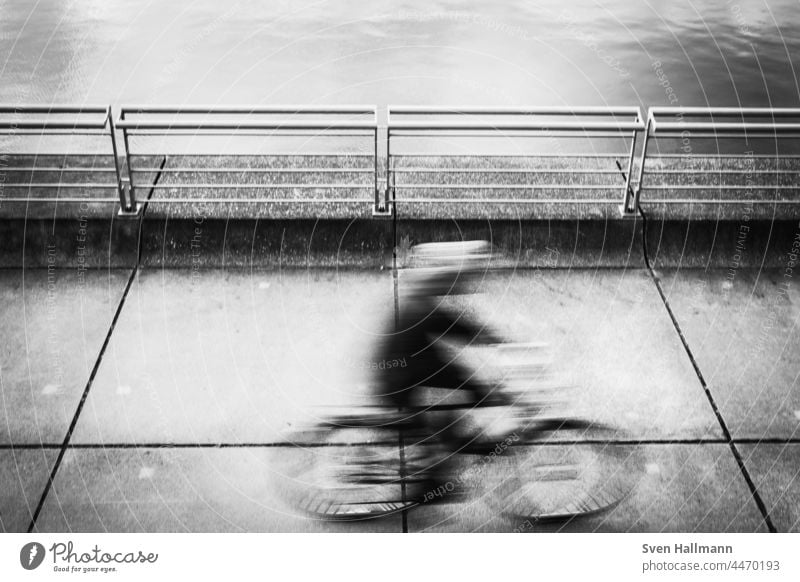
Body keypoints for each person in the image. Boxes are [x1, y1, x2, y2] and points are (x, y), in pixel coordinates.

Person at [369, 240, 507, 501]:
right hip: (399, 380)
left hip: (402, 371)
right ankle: (431, 483)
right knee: (454, 403)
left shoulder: (418, 297)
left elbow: (454, 335)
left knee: (452, 403)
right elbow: (459, 332)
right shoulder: (423, 309)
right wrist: (482, 385)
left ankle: (439, 462)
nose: (462, 285)